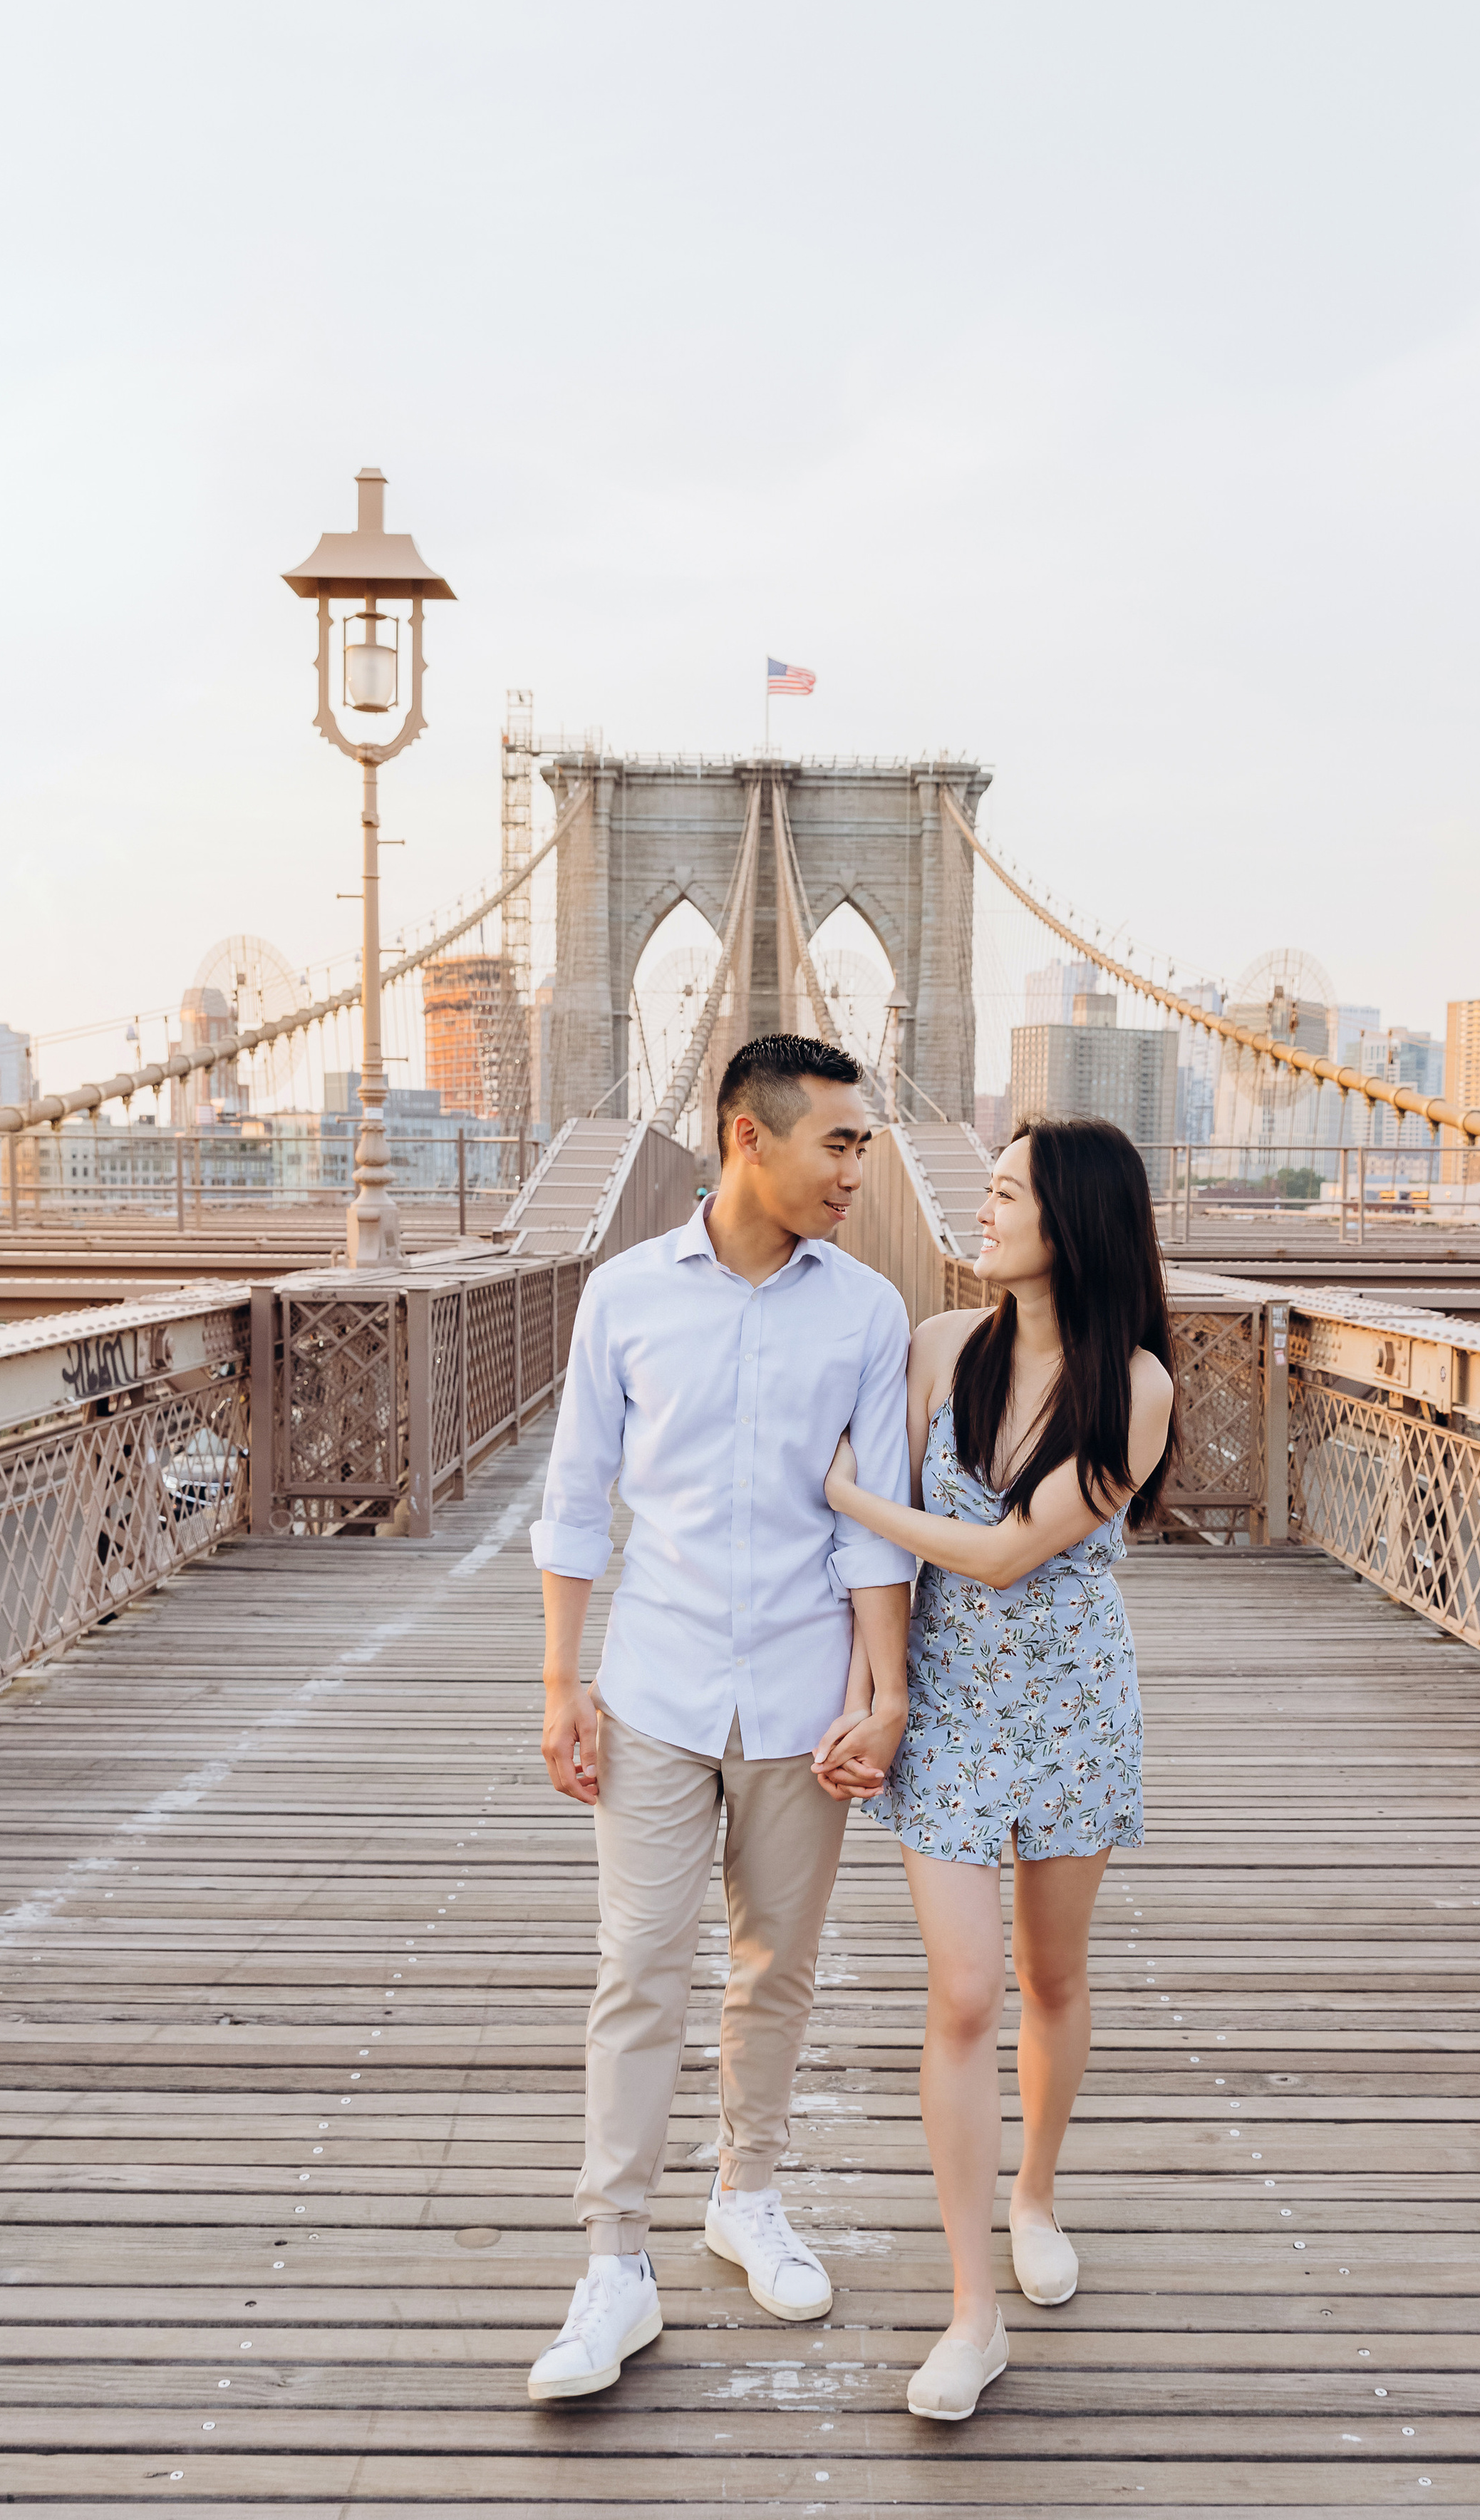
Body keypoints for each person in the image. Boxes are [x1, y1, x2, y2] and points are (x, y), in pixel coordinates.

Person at [525, 1032, 914, 2405]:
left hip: (806, 1695)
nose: (860, 1168)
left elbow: (874, 1534)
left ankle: (747, 2192)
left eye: (869, 1145)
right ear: (749, 1135)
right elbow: (576, 1499)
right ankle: (613, 2258)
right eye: (841, 1144)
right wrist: (565, 1682)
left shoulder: (869, 1310)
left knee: (776, 1970)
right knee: (637, 1967)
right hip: (656, 1683)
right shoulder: (623, 1296)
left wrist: (886, 1692)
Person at [824, 1117, 1176, 2420]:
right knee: (966, 1991)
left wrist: (854, 1495)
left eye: (1008, 1191)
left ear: (1071, 1221)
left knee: (1051, 1975)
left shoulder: (1134, 1385)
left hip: (1075, 1709)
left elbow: (1000, 1553)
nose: (983, 1208)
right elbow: (885, 1580)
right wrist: (872, 1698)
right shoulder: (935, 1350)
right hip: (955, 1714)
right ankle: (973, 2312)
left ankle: (1035, 2192)